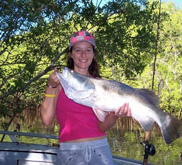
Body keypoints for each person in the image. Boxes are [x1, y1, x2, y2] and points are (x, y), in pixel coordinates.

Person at [40, 30, 132, 165]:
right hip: (69, 152)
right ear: (71, 54)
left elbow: (102, 127)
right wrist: (50, 86)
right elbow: (46, 120)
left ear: (93, 54)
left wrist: (115, 115)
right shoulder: (61, 82)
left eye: (88, 50)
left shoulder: (101, 84)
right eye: (78, 50)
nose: (83, 55)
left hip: (100, 149)